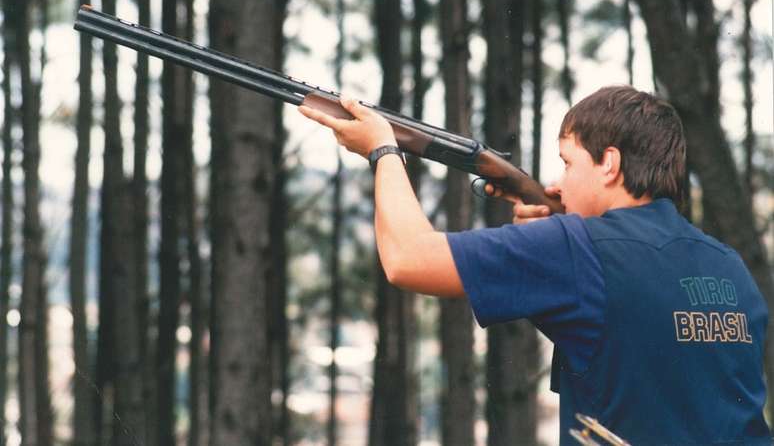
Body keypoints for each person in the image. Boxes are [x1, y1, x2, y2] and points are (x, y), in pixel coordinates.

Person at [299, 85, 771, 445]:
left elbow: (407, 258)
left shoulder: (575, 248)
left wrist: (382, 150)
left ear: (609, 164)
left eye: (567, 163)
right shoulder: (729, 267)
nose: (559, 183)